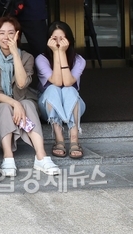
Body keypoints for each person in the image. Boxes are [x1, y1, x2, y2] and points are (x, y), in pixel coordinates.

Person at [0, 16, 60, 177]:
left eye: (11, 33)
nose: (6, 37)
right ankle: (8, 157)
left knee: (28, 104)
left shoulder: (27, 57)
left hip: (23, 99)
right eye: (1, 33)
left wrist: (15, 55)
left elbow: (22, 83)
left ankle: (41, 156)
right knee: (5, 107)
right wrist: (15, 104)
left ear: (18, 35)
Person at [35, 21, 86, 160]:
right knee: (53, 88)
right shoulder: (41, 59)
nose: (58, 43)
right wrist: (56, 53)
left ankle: (74, 139)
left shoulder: (79, 60)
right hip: (49, 107)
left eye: (62, 38)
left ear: (69, 40)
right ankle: (59, 139)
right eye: (54, 38)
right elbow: (57, 82)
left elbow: (67, 82)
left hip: (74, 105)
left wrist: (61, 53)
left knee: (69, 89)